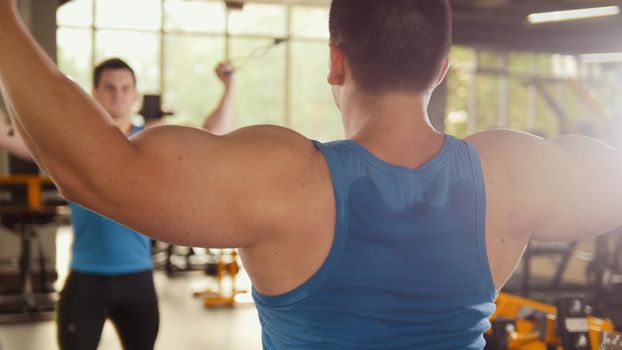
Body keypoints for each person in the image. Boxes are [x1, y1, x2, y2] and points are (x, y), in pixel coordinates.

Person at [1, 0, 622, 349]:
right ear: (441, 67)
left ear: (335, 61)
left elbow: (96, 169)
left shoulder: (288, 180)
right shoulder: (510, 174)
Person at [0, 57, 235, 350]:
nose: (118, 94)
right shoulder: (75, 144)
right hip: (86, 279)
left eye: (126, 88)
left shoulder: (151, 141)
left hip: (138, 279)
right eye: (109, 87)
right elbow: (9, 135)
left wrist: (230, 86)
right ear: (95, 93)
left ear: (135, 95)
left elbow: (214, 137)